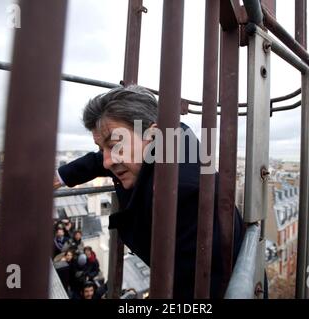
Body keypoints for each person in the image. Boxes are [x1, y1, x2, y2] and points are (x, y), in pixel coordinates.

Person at [54, 85, 245, 299]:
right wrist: (61, 176)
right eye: (102, 148)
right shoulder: (169, 138)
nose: (107, 161)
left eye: (115, 146)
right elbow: (102, 159)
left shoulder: (183, 196)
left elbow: (193, 289)